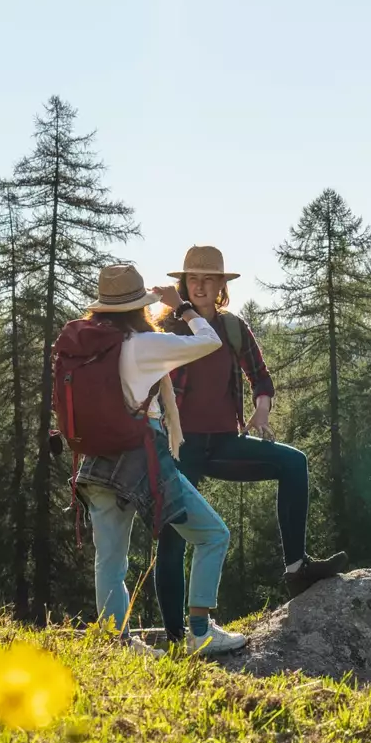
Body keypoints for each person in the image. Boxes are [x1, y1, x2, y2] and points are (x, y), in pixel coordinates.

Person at [155, 245, 346, 619]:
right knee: (173, 538)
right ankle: (179, 633)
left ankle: (296, 568)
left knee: (294, 463)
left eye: (209, 279)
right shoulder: (168, 329)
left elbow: (260, 377)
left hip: (225, 442)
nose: (201, 286)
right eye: (193, 279)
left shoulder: (232, 327)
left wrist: (261, 409)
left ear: (221, 285)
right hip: (180, 448)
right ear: (183, 284)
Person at [65, 263, 247, 655]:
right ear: (140, 306)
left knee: (110, 561)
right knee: (213, 534)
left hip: (95, 462)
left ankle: (117, 642)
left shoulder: (86, 347)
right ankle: (200, 631)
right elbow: (209, 340)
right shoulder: (142, 345)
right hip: (139, 457)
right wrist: (181, 306)